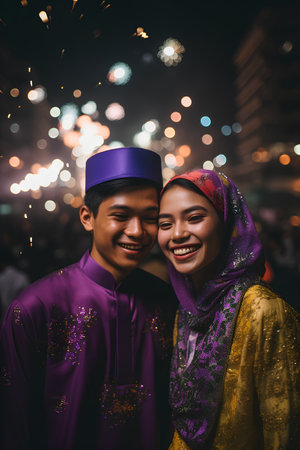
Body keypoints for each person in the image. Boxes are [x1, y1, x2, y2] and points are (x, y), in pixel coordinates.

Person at [0, 147, 177, 450]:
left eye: (150, 218)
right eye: (120, 216)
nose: (136, 231)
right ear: (87, 217)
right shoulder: (33, 308)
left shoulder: (167, 300)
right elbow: (14, 425)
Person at [157, 168, 300, 449]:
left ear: (225, 222)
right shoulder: (187, 310)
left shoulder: (264, 311)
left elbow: (284, 435)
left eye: (194, 218)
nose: (177, 234)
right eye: (165, 224)